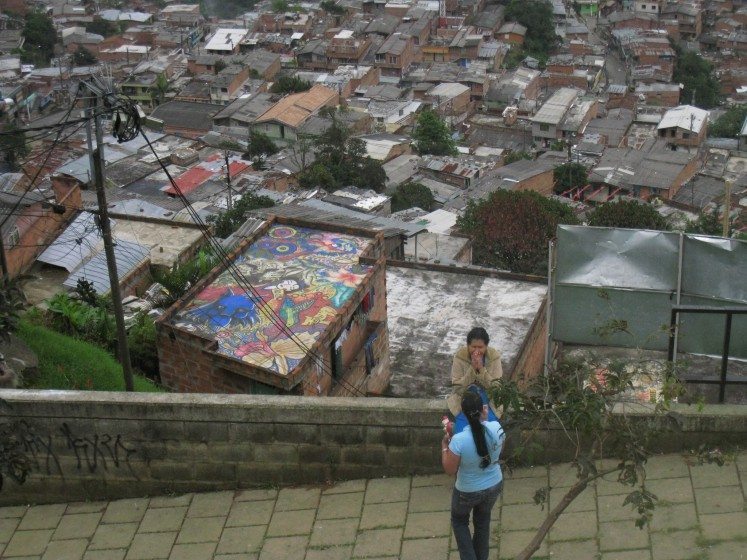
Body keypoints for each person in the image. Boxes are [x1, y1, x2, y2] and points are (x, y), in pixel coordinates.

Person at [442, 390, 505, 560]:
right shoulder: (496, 428)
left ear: (463, 413)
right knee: (483, 522)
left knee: (460, 521)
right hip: (494, 485)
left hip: (467, 491)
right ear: (483, 410)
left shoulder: (459, 440)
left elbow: (450, 470)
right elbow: (498, 452)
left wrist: (444, 446)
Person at [447, 327, 503, 433]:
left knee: (492, 433)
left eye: (480, 347)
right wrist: (472, 369)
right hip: (465, 401)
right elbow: (457, 388)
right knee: (462, 432)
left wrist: (481, 370)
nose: (476, 351)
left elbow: (497, 387)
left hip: (489, 401)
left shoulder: (494, 357)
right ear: (468, 346)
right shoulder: (460, 357)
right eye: (473, 347)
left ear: (486, 346)